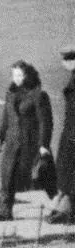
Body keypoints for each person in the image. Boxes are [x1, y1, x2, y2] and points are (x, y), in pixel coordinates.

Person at [0, 60, 54, 221]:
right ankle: (5, 211)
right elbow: (6, 117)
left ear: (28, 75)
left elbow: (45, 122)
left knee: (43, 175)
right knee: (7, 175)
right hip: (13, 141)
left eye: (20, 75)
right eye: (14, 75)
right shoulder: (10, 93)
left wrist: (44, 145)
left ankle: (62, 207)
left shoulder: (39, 94)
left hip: (32, 143)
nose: (17, 78)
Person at [50, 49, 75, 224]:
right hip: (70, 131)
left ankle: (69, 211)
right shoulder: (73, 78)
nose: (63, 63)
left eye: (67, 59)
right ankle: (65, 208)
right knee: (65, 170)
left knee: (69, 170)